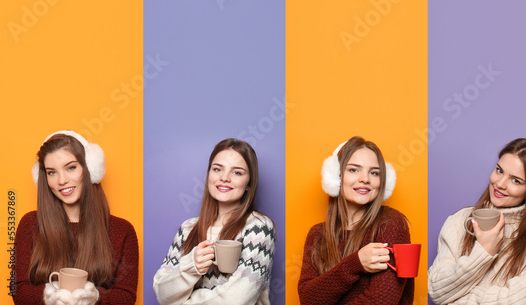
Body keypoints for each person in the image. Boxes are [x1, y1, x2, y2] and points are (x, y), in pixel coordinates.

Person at [428, 138, 526, 304]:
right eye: (499, 170)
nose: (499, 184)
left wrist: (464, 299)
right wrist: (483, 251)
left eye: (516, 180)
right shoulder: (459, 221)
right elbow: (437, 291)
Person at [13, 130, 139, 305]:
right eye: (51, 172)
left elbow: (126, 296)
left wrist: (95, 297)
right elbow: (17, 290)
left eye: (70, 167)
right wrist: (49, 296)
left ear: (90, 169)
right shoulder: (29, 224)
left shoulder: (122, 230)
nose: (62, 180)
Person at [153, 138, 275, 304]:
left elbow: (236, 300)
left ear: (249, 183)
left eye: (237, 172)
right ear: (209, 174)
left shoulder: (258, 227)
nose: (224, 178)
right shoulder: (188, 229)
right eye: (217, 169)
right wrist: (192, 266)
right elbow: (162, 294)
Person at [297, 136, 413, 304]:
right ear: (335, 177)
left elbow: (381, 300)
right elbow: (308, 299)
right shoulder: (317, 235)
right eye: (354, 170)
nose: (365, 179)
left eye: (374, 173)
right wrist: (355, 263)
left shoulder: (392, 224)